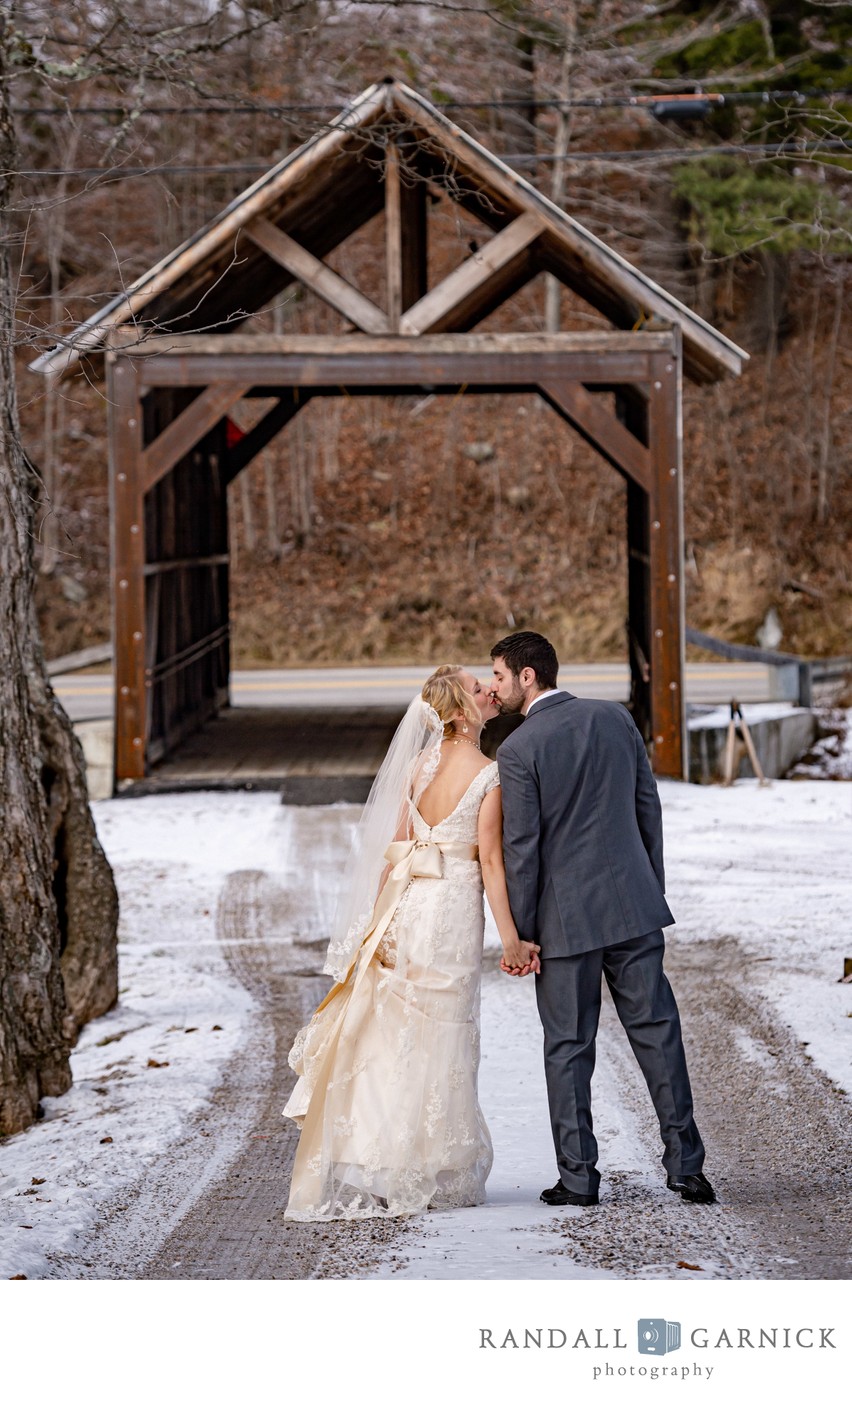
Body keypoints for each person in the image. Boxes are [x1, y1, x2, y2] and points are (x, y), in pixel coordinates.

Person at [282, 665, 539, 1220]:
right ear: (459, 711)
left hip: (408, 905)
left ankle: (387, 1158)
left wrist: (377, 924)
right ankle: (430, 1164)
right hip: (450, 913)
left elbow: (395, 847)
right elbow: (492, 863)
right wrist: (512, 940)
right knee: (444, 1032)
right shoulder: (489, 775)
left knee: (400, 1032)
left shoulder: (420, 765)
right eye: (478, 688)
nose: (489, 690)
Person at [489, 630, 715, 1208]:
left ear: (528, 676)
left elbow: (523, 849)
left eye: (498, 675)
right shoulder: (615, 719)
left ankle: (578, 1178)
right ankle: (687, 1168)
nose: (495, 687)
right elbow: (648, 809)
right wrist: (647, 891)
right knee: (659, 1032)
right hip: (632, 908)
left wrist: (524, 933)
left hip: (563, 925)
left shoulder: (518, 750)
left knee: (568, 1046)